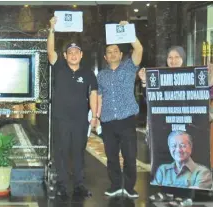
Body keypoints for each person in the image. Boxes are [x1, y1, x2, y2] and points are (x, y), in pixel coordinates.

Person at [139, 46, 207, 206]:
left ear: (183, 59)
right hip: (164, 128)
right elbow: (149, 99)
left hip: (186, 128)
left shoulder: (191, 77)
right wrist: (144, 81)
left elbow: (203, 95)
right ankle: (168, 193)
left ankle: (187, 195)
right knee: (167, 160)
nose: (173, 60)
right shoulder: (162, 77)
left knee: (186, 160)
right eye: (170, 57)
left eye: (177, 57)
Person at [47, 16, 97, 198]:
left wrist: (95, 116)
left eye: (77, 52)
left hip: (80, 120)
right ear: (66, 56)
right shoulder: (59, 67)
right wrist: (52, 28)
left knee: (78, 152)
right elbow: (50, 51)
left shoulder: (88, 73)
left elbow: (93, 94)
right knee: (61, 151)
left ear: (81, 55)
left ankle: (79, 184)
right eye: (70, 52)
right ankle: (61, 183)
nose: (74, 55)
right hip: (61, 119)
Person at [97, 20, 143, 198]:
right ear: (105, 57)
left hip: (127, 119)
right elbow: (99, 96)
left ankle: (130, 187)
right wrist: (96, 117)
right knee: (111, 156)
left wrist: (128, 31)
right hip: (108, 121)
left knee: (130, 156)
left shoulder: (129, 68)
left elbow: (138, 49)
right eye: (109, 52)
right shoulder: (101, 75)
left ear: (121, 54)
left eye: (115, 50)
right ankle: (115, 184)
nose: (113, 53)